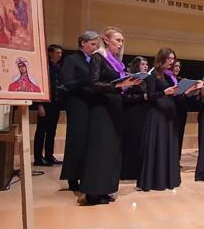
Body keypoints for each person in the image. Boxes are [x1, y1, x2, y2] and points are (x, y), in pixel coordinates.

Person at [82, 27, 142, 205]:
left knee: (111, 151)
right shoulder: (98, 57)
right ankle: (93, 193)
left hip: (115, 108)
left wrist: (129, 84)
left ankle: (105, 189)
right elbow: (93, 83)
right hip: (102, 110)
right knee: (100, 150)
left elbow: (116, 85)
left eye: (122, 41)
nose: (120, 44)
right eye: (117, 40)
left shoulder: (117, 62)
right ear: (106, 40)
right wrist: (118, 86)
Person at [138, 48, 182, 191]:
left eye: (173, 59)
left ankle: (168, 179)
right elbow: (150, 95)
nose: (171, 62)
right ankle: (154, 181)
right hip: (157, 115)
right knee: (158, 146)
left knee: (167, 146)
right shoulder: (152, 74)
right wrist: (164, 92)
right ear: (162, 58)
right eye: (169, 59)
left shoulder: (167, 75)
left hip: (168, 114)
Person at [60, 31, 99, 192]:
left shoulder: (93, 61)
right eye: (92, 44)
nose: (95, 47)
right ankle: (72, 177)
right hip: (77, 104)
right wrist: (88, 79)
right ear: (83, 43)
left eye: (96, 45)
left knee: (89, 141)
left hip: (91, 103)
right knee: (76, 139)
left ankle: (86, 174)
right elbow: (68, 83)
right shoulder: (72, 59)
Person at [32, 45, 64, 166]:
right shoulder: (44, 67)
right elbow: (39, 86)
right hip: (45, 104)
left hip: (56, 103)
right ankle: (38, 158)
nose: (60, 55)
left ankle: (49, 156)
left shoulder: (58, 67)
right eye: (57, 52)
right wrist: (39, 105)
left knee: (52, 131)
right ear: (50, 53)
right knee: (41, 131)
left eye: (61, 53)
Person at [120, 56, 150, 181]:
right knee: (131, 142)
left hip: (143, 114)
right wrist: (143, 97)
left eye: (146, 64)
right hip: (132, 115)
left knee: (140, 143)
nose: (145, 66)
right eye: (142, 64)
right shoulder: (130, 79)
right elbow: (125, 98)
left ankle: (138, 172)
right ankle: (127, 172)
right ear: (136, 66)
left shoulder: (146, 80)